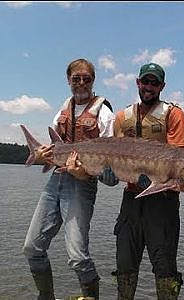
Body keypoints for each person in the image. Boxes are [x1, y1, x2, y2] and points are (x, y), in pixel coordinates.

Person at [22, 58, 115, 300]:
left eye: (87, 78)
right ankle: (46, 296)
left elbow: (110, 162)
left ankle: (91, 296)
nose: (81, 82)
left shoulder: (104, 114)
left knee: (77, 256)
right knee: (31, 248)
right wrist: (43, 156)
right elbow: (55, 149)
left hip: (82, 184)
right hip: (57, 179)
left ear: (93, 81)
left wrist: (82, 172)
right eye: (76, 78)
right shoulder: (62, 111)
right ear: (68, 80)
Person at [102, 62, 184, 299]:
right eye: (145, 81)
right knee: (125, 262)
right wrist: (107, 175)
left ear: (162, 86)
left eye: (154, 82)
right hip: (131, 199)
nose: (149, 87)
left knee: (164, 266)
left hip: (163, 201)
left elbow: (177, 162)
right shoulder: (122, 116)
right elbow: (113, 156)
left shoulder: (174, 114)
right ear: (137, 83)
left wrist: (152, 179)